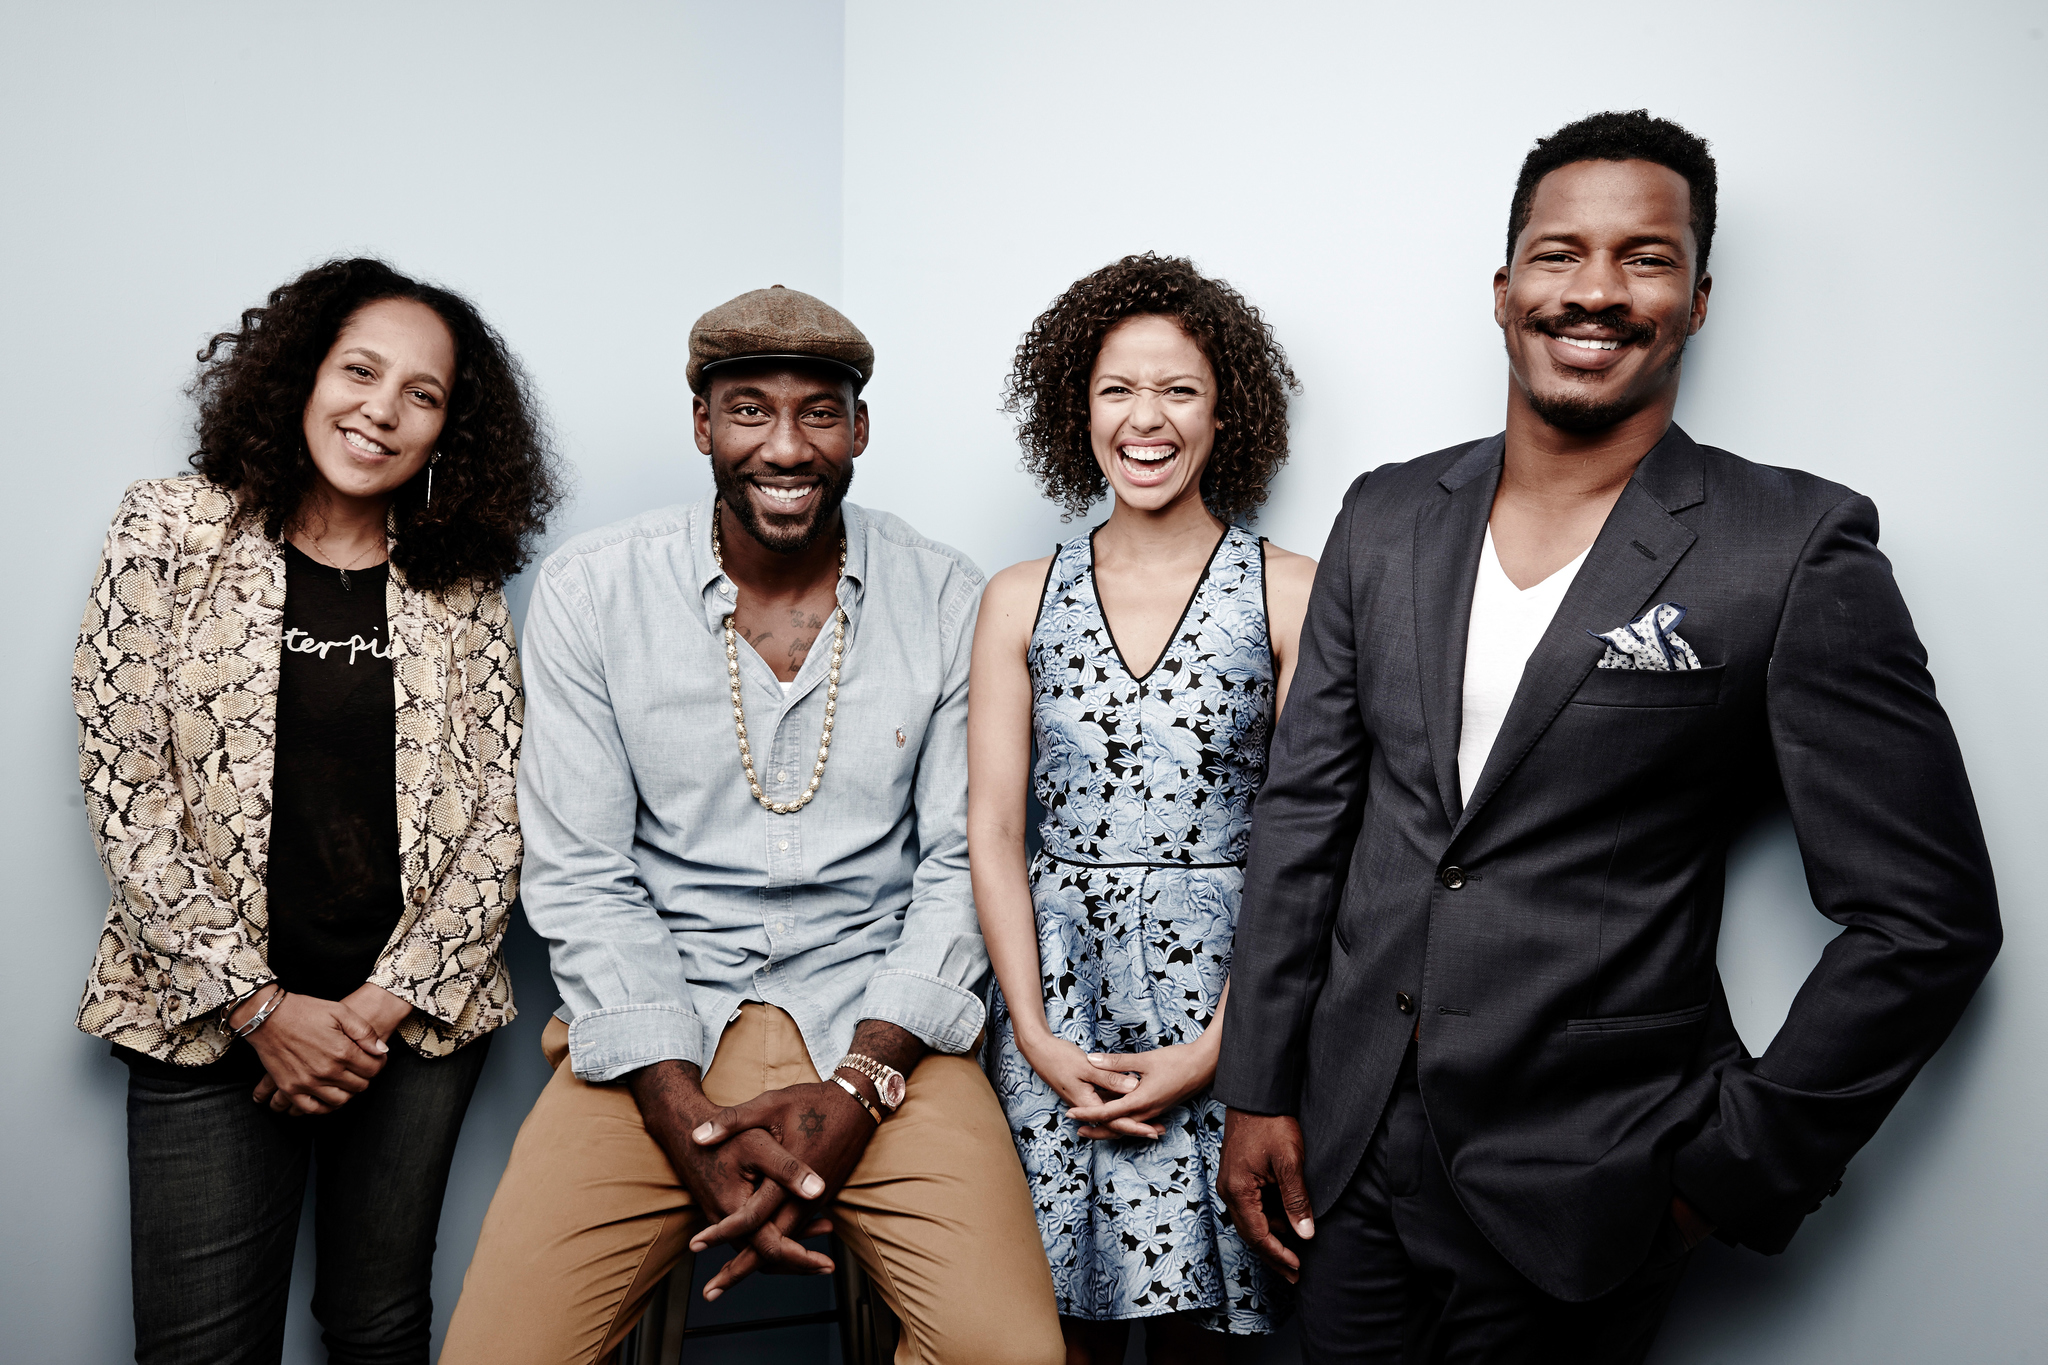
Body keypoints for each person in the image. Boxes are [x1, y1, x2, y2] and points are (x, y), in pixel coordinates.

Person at [1212, 110, 2001, 1363]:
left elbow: (1928, 920)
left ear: (1695, 300)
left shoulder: (1789, 549)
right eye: (1556, 253)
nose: (1593, 290)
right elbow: (1308, 814)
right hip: (1342, 1155)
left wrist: (1724, 1172)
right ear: (1501, 287)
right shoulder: (1386, 512)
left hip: (1587, 1185)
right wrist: (1257, 1081)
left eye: (1642, 258)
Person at [441, 285, 1064, 1365]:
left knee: (1010, 1356)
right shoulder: (594, 592)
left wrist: (860, 1087)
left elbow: (962, 862)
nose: (785, 445)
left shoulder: (947, 596)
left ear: (859, 429)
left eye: (819, 412)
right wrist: (680, 1116)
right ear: (701, 425)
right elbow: (582, 875)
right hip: (652, 1026)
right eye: (748, 410)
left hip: (884, 1028)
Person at [74, 257, 560, 1364]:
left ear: (450, 433)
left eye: (423, 395)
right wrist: (261, 1011)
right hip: (204, 1022)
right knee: (200, 1349)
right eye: (360, 370)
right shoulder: (170, 531)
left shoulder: (457, 585)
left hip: (411, 1031)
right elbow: (124, 785)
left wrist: (376, 1012)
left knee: (380, 1330)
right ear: (302, 372)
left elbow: (501, 813)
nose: (381, 410)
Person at [969, 254, 1315, 1364]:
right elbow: (994, 832)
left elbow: (1311, 842)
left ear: (1227, 411)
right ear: (1079, 408)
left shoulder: (1290, 590)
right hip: (1055, 998)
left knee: (1208, 1334)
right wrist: (1030, 1033)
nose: (1145, 418)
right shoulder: (1018, 596)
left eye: (1177, 389)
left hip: (1230, 1000)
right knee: (1047, 1325)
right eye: (1117, 388)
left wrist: (1223, 1046)